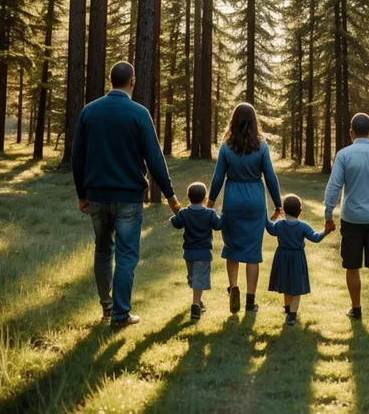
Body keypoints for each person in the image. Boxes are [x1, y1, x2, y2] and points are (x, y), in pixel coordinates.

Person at [72, 62, 181, 329]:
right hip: (128, 198)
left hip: (97, 195)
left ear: (111, 81)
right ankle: (121, 315)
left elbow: (78, 156)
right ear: (132, 81)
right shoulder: (139, 113)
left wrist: (82, 194)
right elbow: (154, 158)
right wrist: (171, 197)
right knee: (126, 255)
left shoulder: (89, 111)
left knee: (102, 250)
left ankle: (107, 309)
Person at [324, 112, 369, 335]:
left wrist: (328, 214)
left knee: (352, 265)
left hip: (351, 219)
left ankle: (356, 309)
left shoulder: (344, 155)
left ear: (351, 132)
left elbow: (334, 186)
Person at [207, 103, 283, 314]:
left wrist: (210, 204)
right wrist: (278, 203)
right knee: (252, 252)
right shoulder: (261, 146)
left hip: (232, 201)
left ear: (234, 120)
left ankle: (233, 289)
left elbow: (217, 178)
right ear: (254, 121)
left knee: (232, 248)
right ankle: (250, 300)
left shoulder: (226, 146)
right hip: (255, 203)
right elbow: (270, 177)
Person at [266, 194, 331, 326]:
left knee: (285, 285)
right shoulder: (303, 226)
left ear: (283, 209)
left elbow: (270, 228)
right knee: (295, 286)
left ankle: (288, 309)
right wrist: (326, 231)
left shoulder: (279, 224)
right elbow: (315, 238)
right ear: (300, 211)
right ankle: (292, 315)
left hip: (282, 257)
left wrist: (273, 217)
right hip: (297, 258)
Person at [170, 182, 224, 320]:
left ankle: (198, 301)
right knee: (198, 279)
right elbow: (218, 226)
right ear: (205, 197)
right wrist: (223, 215)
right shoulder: (210, 213)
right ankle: (196, 305)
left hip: (189, 253)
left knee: (193, 278)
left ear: (188, 197)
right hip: (204, 252)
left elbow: (176, 223)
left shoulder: (184, 213)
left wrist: (172, 217)